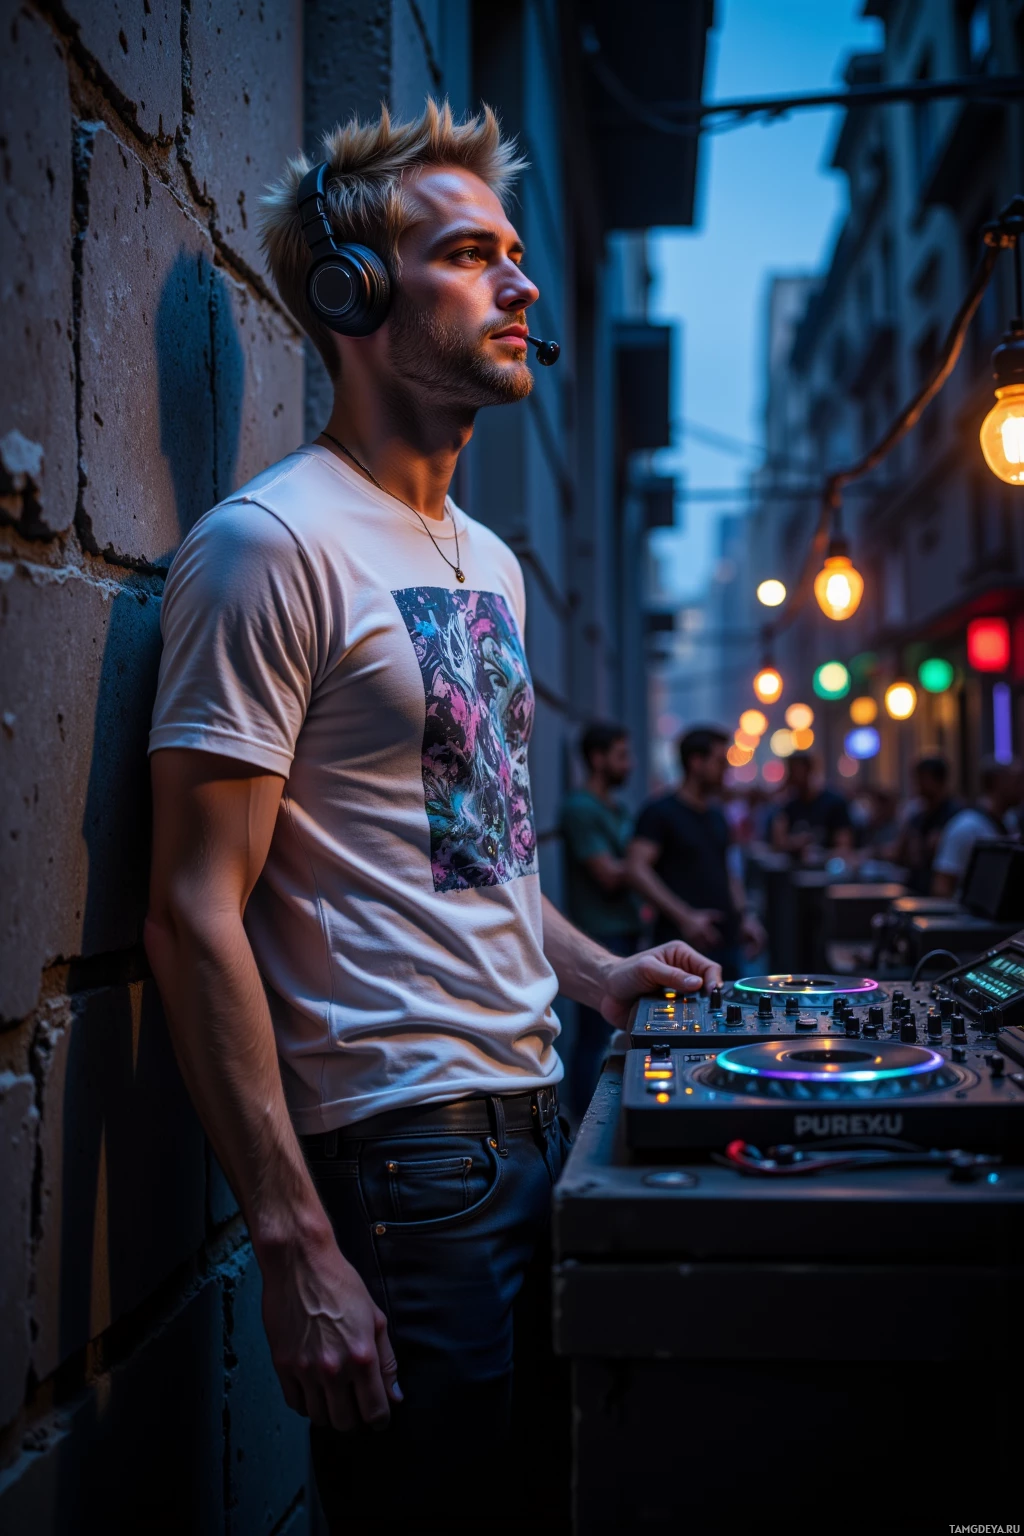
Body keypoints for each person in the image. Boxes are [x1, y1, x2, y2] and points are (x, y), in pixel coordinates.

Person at [143, 101, 721, 1535]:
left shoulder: (487, 565)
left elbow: (469, 849)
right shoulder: (267, 547)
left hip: (542, 1121)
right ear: (353, 295)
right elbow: (191, 907)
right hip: (404, 1173)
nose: (522, 285)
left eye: (518, 253)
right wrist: (292, 1240)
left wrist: (597, 973)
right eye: (474, 255)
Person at [627, 726, 766, 979]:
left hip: (728, 941)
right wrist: (686, 916)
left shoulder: (717, 815)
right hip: (681, 945)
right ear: (696, 762)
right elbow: (636, 868)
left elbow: (728, 871)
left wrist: (746, 917)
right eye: (720, 761)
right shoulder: (660, 812)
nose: (727, 769)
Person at [560, 722, 642, 1118]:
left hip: (625, 929)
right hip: (599, 932)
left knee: (614, 1035)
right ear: (597, 758)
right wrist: (646, 868)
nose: (630, 764)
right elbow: (607, 873)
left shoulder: (617, 808)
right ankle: (583, 1121)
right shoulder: (580, 808)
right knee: (594, 1038)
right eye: (622, 755)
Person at [932, 757, 1023, 896]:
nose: (1022, 787)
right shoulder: (966, 827)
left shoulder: (1011, 820)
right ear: (997, 781)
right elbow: (942, 886)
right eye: (1017, 781)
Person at [892, 755, 960, 893]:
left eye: (922, 779)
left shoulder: (955, 817)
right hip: (915, 891)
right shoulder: (917, 817)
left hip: (939, 897)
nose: (917, 785)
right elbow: (900, 852)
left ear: (939, 780)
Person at [769, 751, 855, 859]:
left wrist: (820, 854)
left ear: (809, 770)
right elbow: (778, 843)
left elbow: (844, 846)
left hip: (825, 871)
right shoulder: (790, 806)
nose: (792, 777)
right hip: (795, 871)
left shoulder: (834, 803)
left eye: (795, 771)